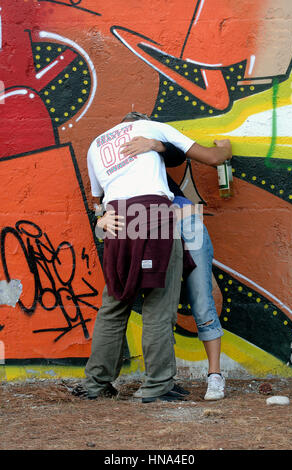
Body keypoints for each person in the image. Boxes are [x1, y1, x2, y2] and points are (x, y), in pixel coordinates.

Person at [75, 111, 231, 403]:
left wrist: (101, 219)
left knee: (114, 304)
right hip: (153, 214)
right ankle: (157, 385)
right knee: (159, 304)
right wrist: (226, 149)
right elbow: (213, 158)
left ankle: (96, 384)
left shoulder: (96, 144)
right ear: (140, 123)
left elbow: (97, 199)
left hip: (117, 219)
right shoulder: (152, 128)